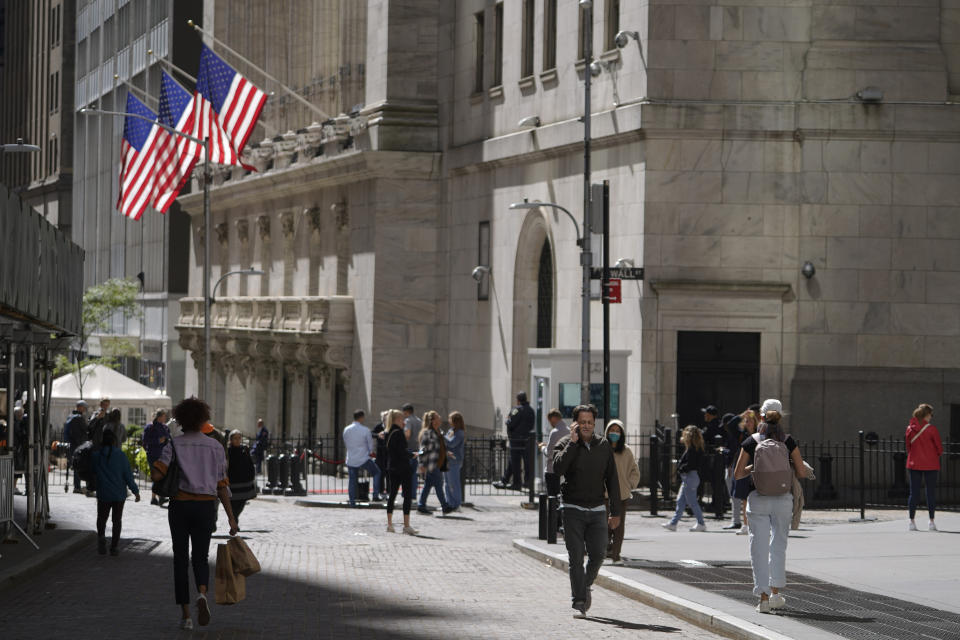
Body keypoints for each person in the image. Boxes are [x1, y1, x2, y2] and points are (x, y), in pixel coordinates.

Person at [151, 397, 238, 630]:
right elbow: (222, 485)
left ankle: (186, 615)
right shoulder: (216, 447)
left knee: (180, 558)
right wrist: (231, 517)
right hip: (205, 507)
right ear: (203, 420)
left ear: (180, 420)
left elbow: (157, 475)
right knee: (200, 557)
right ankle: (202, 593)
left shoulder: (174, 444)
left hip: (180, 506)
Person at [734, 399, 807, 613]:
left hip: (758, 497)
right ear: (780, 416)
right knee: (778, 546)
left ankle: (763, 599)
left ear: (761, 417)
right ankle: (776, 593)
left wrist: (755, 466)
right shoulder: (788, 441)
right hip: (783, 499)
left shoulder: (752, 440)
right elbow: (802, 473)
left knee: (758, 547)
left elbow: (738, 474)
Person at [553, 404, 621, 618]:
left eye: (590, 422)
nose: (586, 426)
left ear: (594, 423)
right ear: (575, 424)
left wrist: (616, 511)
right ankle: (579, 600)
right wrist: (572, 444)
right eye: (582, 422)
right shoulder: (565, 443)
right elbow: (558, 469)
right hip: (572, 508)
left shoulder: (603, 445)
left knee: (599, 554)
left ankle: (585, 586)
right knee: (575, 557)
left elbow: (612, 479)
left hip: (598, 508)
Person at [93, 430, 141, 556]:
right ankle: (114, 547)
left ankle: (101, 536)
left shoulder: (96, 455)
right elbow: (128, 476)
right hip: (119, 493)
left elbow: (92, 472)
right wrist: (135, 492)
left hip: (103, 492)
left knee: (101, 518)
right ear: (114, 441)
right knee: (117, 520)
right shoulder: (120, 455)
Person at [604, 419, 640, 564]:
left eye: (617, 431)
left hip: (621, 495)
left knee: (618, 527)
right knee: (604, 525)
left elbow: (635, 471)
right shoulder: (602, 448)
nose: (614, 433)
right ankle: (606, 549)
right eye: (611, 430)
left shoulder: (627, 451)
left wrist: (630, 484)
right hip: (604, 495)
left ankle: (616, 555)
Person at [905, 403, 943, 531]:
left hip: (914, 463)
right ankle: (931, 522)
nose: (931, 417)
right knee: (930, 493)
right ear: (927, 415)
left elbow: (908, 447)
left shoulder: (910, 428)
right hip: (931, 464)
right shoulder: (932, 429)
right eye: (931, 414)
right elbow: (939, 449)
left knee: (914, 493)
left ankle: (911, 521)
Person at [663, 426, 707, 532]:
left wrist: (681, 468)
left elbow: (691, 464)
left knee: (692, 502)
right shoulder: (694, 448)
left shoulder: (693, 449)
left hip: (690, 477)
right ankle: (673, 523)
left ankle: (701, 523)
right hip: (689, 477)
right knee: (680, 501)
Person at [384, 409, 418, 535]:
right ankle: (406, 525)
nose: (404, 421)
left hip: (392, 467)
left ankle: (389, 524)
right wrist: (412, 454)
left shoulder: (388, 432)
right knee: (407, 495)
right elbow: (401, 451)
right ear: (397, 419)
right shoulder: (398, 433)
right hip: (402, 467)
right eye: (402, 419)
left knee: (392, 495)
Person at [494, 391, 536, 490]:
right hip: (528, 439)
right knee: (526, 462)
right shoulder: (531, 410)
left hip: (516, 440)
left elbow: (509, 422)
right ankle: (527, 482)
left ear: (518, 400)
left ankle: (516, 483)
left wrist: (507, 421)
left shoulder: (516, 410)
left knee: (515, 462)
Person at [343, 410, 383, 506]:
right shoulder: (365, 430)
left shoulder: (346, 429)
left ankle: (352, 501)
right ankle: (375, 494)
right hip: (363, 458)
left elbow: (346, 442)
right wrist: (370, 452)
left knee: (352, 480)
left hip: (351, 458)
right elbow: (370, 445)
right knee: (377, 472)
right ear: (361, 418)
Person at [417, 410, 452, 515]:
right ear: (433, 421)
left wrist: (446, 453)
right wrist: (422, 464)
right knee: (438, 484)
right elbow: (422, 449)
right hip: (431, 464)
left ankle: (421, 505)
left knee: (429, 485)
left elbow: (440, 447)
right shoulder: (428, 433)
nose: (440, 418)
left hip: (439, 462)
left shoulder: (440, 432)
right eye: (438, 417)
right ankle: (444, 506)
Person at [734, 408, 760, 535]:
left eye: (750, 420)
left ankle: (757, 524)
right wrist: (741, 415)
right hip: (744, 467)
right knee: (745, 498)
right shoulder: (741, 434)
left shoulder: (759, 434)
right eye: (746, 421)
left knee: (758, 497)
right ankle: (746, 525)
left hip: (757, 468)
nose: (747, 423)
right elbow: (728, 426)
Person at [227, 430, 257, 526]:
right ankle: (234, 519)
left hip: (244, 480)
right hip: (232, 481)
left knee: (241, 501)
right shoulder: (228, 451)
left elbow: (250, 463)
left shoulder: (244, 449)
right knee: (232, 503)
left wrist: (252, 475)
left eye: (239, 438)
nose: (237, 440)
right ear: (231, 439)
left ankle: (235, 517)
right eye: (235, 438)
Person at [143, 409, 172, 506]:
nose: (165, 418)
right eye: (164, 416)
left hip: (163, 455)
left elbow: (168, 438)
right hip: (153, 454)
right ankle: (158, 497)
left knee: (161, 475)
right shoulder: (150, 427)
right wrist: (157, 441)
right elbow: (145, 441)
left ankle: (156, 498)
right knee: (157, 475)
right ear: (159, 417)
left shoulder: (165, 427)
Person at [721, 412, 743, 530]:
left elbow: (733, 452)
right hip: (733, 466)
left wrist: (722, 451)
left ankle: (737, 520)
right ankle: (737, 520)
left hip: (732, 466)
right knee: (735, 497)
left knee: (735, 496)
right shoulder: (734, 435)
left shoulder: (735, 436)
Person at [443, 411, 466, 511]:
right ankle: (450, 502)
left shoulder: (460, 433)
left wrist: (442, 437)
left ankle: (457, 504)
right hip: (447, 459)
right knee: (447, 483)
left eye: (450, 419)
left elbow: (452, 444)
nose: (448, 421)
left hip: (455, 461)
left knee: (454, 483)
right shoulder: (451, 430)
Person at [64, 400, 89, 493]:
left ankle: (77, 486)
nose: (85, 409)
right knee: (80, 466)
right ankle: (77, 487)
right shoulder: (78, 417)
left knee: (76, 466)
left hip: (72, 445)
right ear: (79, 407)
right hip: (78, 445)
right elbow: (85, 429)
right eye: (84, 407)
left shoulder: (70, 416)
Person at [402, 403, 422, 495]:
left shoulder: (408, 421)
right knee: (414, 474)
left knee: (407, 474)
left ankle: (407, 494)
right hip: (417, 449)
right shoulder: (419, 421)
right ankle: (413, 495)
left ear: (406, 412)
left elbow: (407, 434)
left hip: (409, 449)